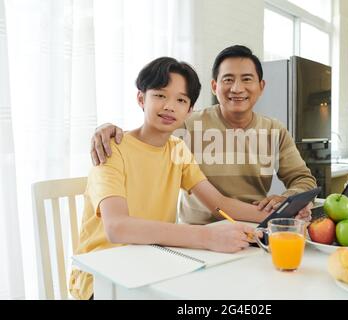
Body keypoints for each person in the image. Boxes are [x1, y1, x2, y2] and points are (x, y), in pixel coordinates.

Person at [69, 57, 271, 300]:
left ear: (189, 110)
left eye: (181, 100)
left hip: (155, 265)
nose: (169, 106)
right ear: (141, 99)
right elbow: (117, 228)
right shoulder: (112, 148)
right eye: (160, 95)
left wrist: (282, 216)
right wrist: (207, 237)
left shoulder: (177, 149)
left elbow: (220, 204)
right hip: (102, 279)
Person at [90, 45, 317, 225]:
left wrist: (286, 203)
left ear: (261, 86)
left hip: (253, 224)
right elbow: (148, 136)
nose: (237, 88)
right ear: (214, 86)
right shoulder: (188, 123)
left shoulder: (274, 131)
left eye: (247, 79)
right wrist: (107, 129)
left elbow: (303, 179)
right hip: (195, 231)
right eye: (228, 80)